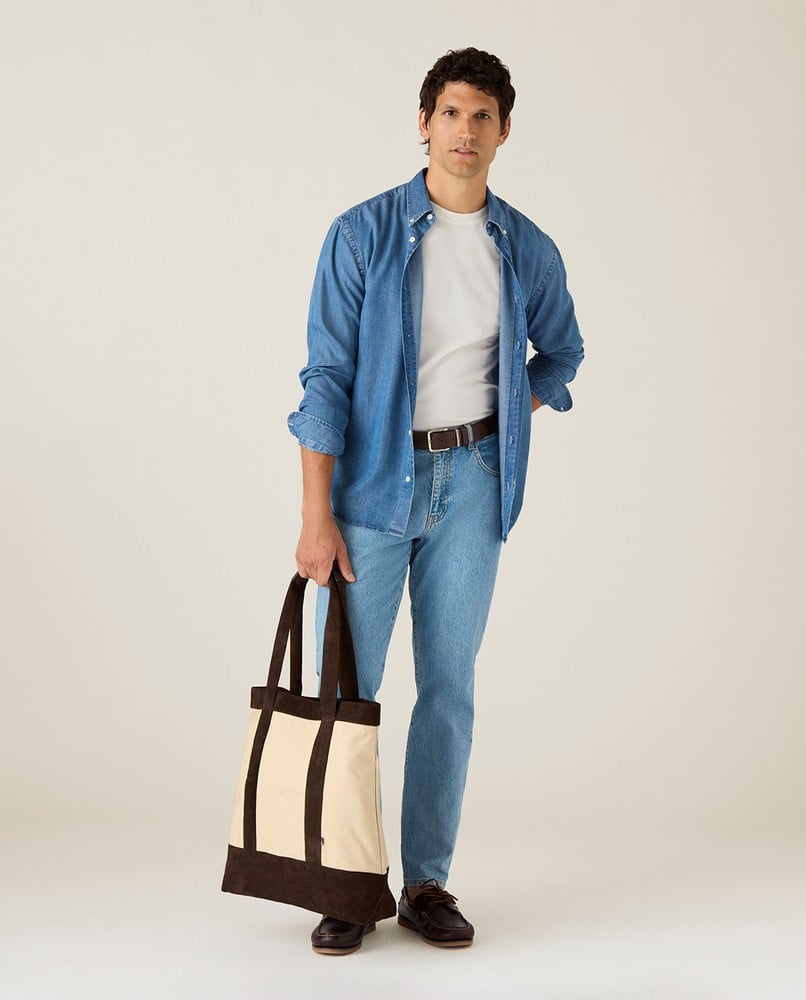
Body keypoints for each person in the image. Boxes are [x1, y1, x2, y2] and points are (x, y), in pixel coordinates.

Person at [288, 47, 584, 955]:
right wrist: (314, 513)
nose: (466, 131)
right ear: (424, 123)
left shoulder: (525, 247)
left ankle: (425, 883)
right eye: (451, 113)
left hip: (474, 486)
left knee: (449, 689)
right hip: (372, 490)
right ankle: (348, 881)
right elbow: (326, 378)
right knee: (351, 690)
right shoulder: (363, 234)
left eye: (483, 116)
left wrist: (509, 415)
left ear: (504, 131)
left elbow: (563, 354)